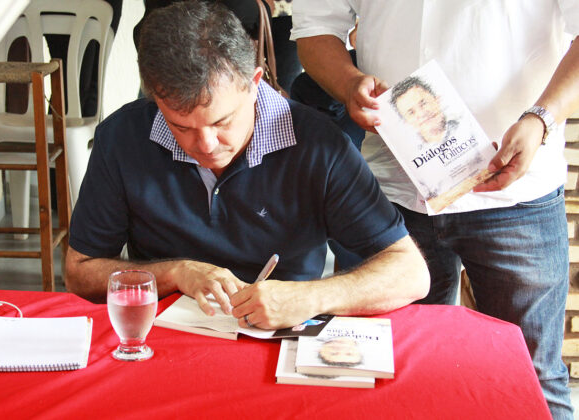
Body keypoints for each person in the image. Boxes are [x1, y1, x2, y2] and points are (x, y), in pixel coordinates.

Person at [65, 1, 429, 331]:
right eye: (181, 127)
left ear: (254, 82)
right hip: (165, 340)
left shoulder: (318, 145)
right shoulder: (123, 137)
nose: (205, 146)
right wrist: (176, 273)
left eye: (222, 122)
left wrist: (310, 297)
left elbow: (410, 273)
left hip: (279, 343)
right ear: (155, 97)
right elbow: (80, 273)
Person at [291, 1, 579, 418]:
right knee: (374, 371)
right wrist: (349, 81)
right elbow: (315, 27)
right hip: (391, 191)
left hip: (516, 191)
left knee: (532, 376)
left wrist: (541, 119)